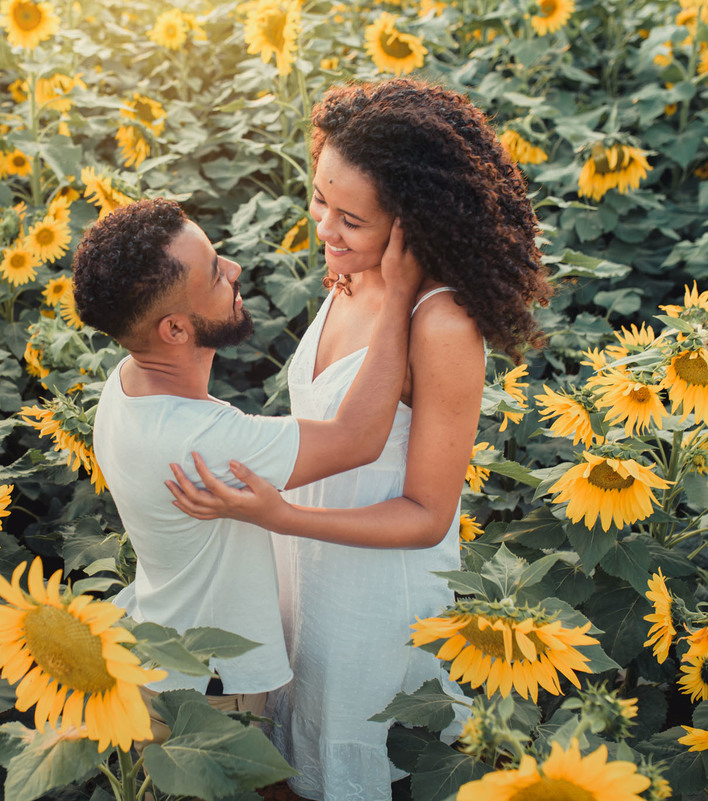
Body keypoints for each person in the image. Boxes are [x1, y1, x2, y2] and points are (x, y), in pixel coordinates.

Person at [166, 78, 552, 800]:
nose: (325, 228)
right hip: (307, 578)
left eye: (351, 217)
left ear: (412, 223)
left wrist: (280, 514)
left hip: (376, 605)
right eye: (319, 197)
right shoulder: (350, 270)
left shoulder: (441, 325)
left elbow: (427, 514)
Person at [70, 197, 424, 739]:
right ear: (175, 331)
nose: (235, 270)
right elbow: (357, 439)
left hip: (163, 650)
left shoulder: (124, 384)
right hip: (212, 687)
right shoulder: (200, 441)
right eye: (215, 275)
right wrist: (399, 294)